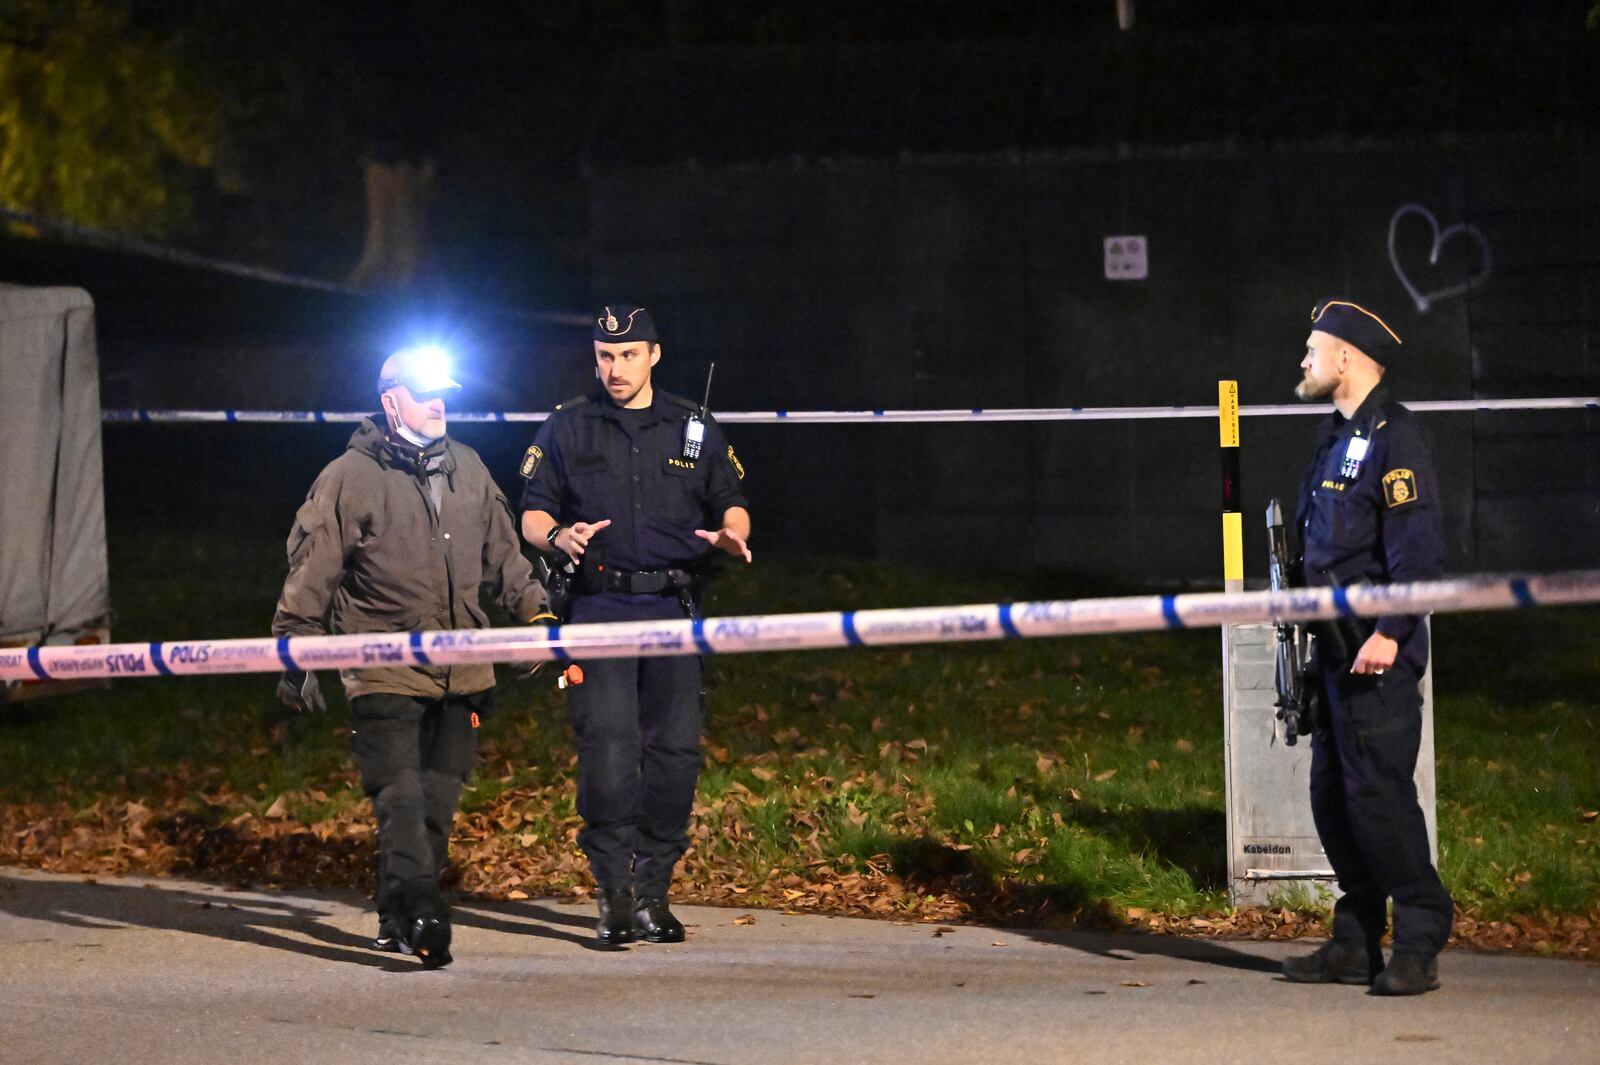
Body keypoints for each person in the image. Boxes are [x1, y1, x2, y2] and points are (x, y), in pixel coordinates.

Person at [272, 345, 550, 968]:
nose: (439, 403)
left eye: (444, 392)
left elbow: (506, 557)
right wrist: (297, 646)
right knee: (399, 794)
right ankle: (423, 908)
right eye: (425, 393)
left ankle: (395, 914)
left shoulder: (471, 468)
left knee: (437, 801)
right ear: (390, 400)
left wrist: (537, 618)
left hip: (464, 669)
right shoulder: (348, 478)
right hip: (382, 666)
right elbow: (311, 570)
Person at [519, 303, 752, 946]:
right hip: (600, 607)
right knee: (610, 750)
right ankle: (613, 895)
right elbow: (532, 515)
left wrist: (733, 537)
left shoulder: (693, 426)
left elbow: (733, 504)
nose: (615, 367)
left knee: (675, 753)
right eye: (604, 356)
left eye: (628, 355)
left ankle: (654, 891)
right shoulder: (568, 427)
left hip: (673, 610)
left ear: (653, 355)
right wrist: (559, 535)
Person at [1282, 299, 1454, 996]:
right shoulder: (1335, 436)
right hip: (1331, 654)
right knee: (1333, 798)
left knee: (1379, 799)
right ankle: (1356, 939)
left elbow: (1419, 557)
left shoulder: (1395, 437)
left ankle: (1420, 933)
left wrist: (1390, 632)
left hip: (1374, 653)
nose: (1303, 360)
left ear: (1346, 357)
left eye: (1312, 348)